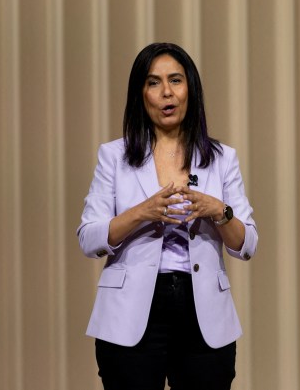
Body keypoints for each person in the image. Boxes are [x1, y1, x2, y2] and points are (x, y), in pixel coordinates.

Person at [78, 42, 258, 390]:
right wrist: (141, 213)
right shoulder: (113, 157)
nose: (166, 92)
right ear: (140, 94)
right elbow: (89, 238)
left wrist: (218, 211)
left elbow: (247, 244)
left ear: (190, 88)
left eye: (175, 80)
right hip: (131, 313)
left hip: (202, 309)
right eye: (153, 82)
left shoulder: (222, 158)